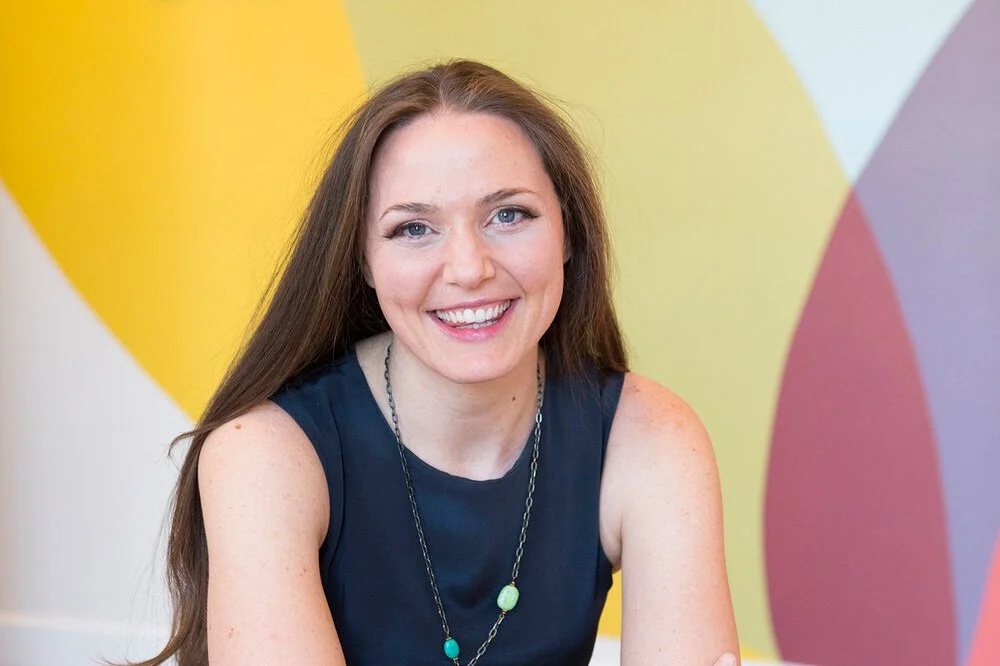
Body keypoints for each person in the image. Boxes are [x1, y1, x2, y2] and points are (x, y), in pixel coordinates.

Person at [133, 60, 740, 666]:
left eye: (509, 215)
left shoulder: (649, 434)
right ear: (364, 260)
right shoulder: (265, 453)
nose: (469, 268)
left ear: (568, 233)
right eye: (414, 228)